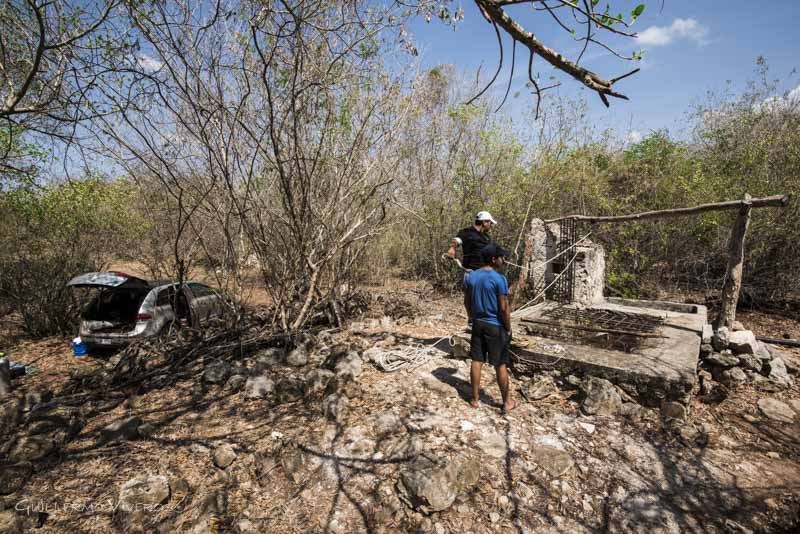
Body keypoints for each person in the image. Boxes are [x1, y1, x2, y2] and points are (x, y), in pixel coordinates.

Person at [463, 242, 517, 413]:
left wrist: (471, 317)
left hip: (478, 324)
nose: (504, 259)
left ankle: (475, 399)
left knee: (476, 361)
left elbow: (467, 301)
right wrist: (508, 327)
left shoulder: (471, 276)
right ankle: (507, 402)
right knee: (500, 364)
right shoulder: (499, 279)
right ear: (494, 259)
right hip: (495, 326)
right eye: (502, 257)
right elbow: (503, 308)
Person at [446, 211, 497, 324]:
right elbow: (456, 241)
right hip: (471, 271)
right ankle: (471, 319)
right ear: (484, 222)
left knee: (486, 296)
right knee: (469, 296)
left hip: (486, 272)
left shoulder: (486, 237)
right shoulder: (466, 232)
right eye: (490, 223)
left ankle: (485, 320)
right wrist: (452, 249)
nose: (491, 225)